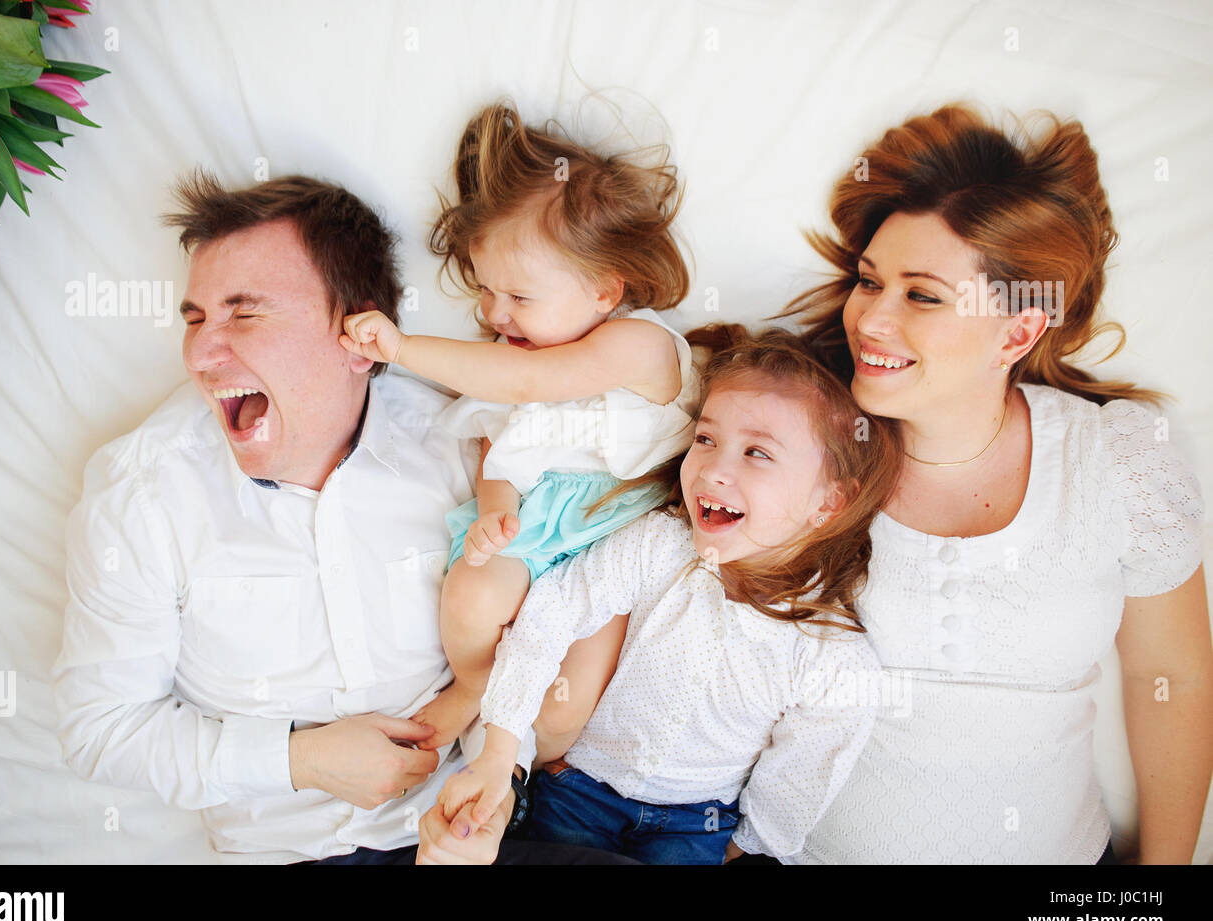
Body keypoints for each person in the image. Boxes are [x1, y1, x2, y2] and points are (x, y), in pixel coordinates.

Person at [52, 171, 630, 865]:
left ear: (358, 334)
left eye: (244, 313)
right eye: (197, 317)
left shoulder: (461, 443)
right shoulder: (143, 493)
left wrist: (495, 784)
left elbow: (526, 633)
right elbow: (100, 729)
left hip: (466, 837)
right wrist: (301, 758)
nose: (201, 354)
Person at [780, 104, 1213, 863]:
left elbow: (1169, 674)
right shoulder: (801, 440)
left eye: (921, 295)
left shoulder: (1113, 460)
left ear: (1017, 332)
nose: (870, 320)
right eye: (868, 281)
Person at [425, 325, 902, 864]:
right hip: (579, 790)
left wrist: (746, 849)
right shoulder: (658, 545)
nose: (714, 469)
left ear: (830, 502)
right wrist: (501, 750)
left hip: (697, 823)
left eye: (758, 454)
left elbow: (800, 777)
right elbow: (550, 616)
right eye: (705, 439)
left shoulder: (828, 653)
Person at [340, 102, 699, 755]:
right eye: (484, 290)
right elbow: (496, 454)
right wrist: (495, 517)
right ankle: (477, 686)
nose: (493, 312)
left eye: (519, 297)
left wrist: (403, 347)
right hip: (535, 526)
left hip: (615, 541)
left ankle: (536, 753)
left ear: (604, 290)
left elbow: (526, 382)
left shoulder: (641, 347)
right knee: (470, 595)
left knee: (560, 719)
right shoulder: (513, 371)